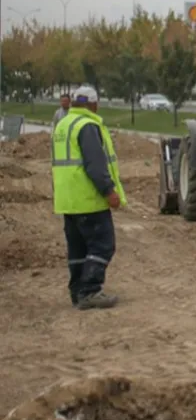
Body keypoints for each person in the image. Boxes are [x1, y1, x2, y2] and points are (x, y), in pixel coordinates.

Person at [51, 86, 127, 310]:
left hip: (67, 200)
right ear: (94, 105)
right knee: (103, 245)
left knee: (77, 248)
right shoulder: (87, 126)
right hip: (88, 199)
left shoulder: (63, 125)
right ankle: (90, 290)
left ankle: (77, 292)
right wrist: (109, 191)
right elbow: (95, 165)